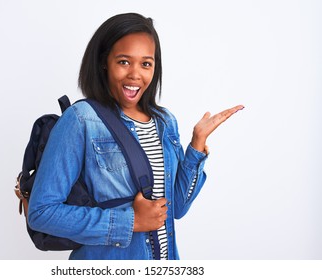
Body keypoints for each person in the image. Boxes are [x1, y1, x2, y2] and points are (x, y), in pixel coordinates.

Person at [27, 12, 244, 260]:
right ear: (103, 62)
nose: (135, 74)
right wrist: (129, 222)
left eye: (146, 63)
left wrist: (196, 146)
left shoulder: (165, 121)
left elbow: (177, 208)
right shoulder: (81, 120)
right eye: (123, 62)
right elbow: (41, 213)